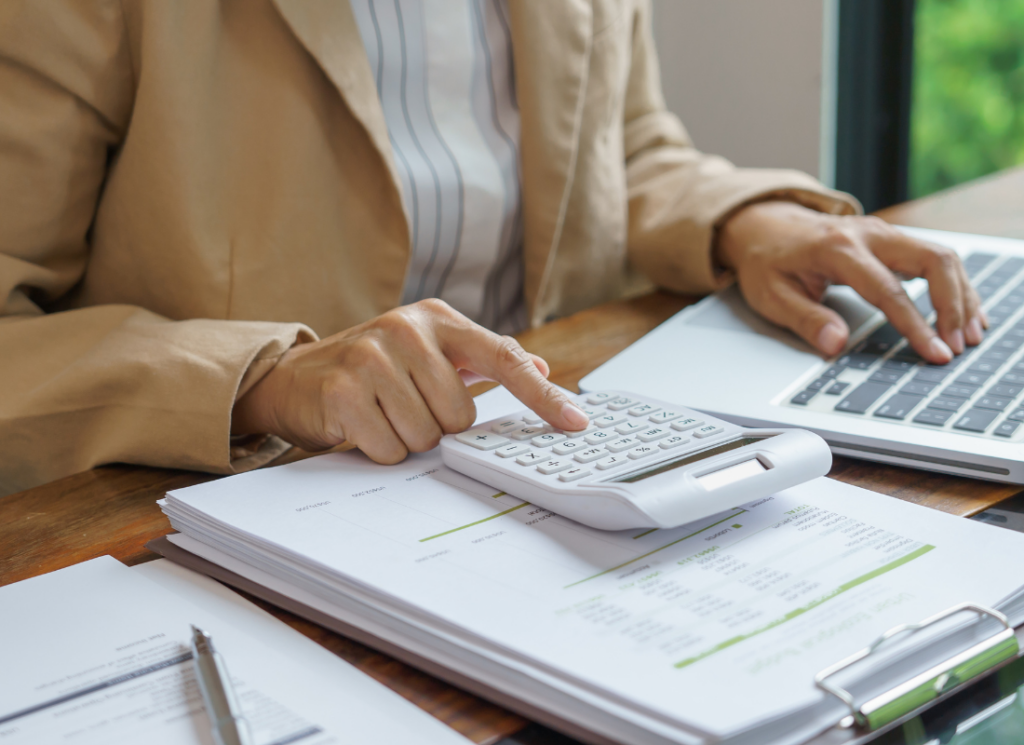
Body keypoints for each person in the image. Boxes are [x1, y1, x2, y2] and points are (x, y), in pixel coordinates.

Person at [0, 0, 983, 496]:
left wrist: (750, 222)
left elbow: (624, 144)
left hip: (559, 468)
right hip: (247, 499)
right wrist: (267, 378)